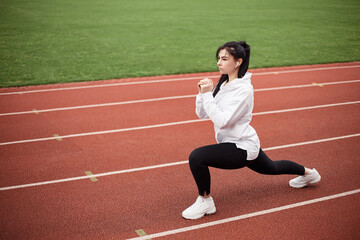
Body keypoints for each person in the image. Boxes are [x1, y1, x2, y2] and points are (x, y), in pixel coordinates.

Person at [182, 41, 321, 220]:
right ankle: (309, 174)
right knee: (272, 167)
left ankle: (205, 201)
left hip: (241, 147)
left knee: (197, 157)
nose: (219, 62)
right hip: (236, 142)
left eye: (224, 59)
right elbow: (202, 114)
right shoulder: (222, 84)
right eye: (218, 58)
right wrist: (202, 94)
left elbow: (223, 121)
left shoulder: (244, 90)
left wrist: (208, 96)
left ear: (238, 62)